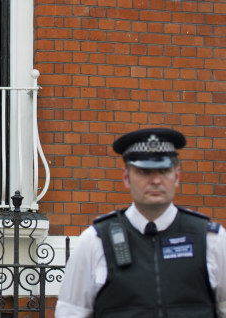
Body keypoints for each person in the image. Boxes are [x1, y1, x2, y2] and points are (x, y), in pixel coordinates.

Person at [56, 128, 226, 317]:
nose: (155, 180)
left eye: (164, 170)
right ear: (126, 177)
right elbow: (71, 312)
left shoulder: (211, 240)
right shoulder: (95, 242)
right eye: (144, 171)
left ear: (177, 176)